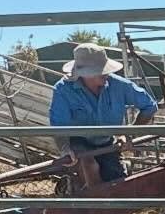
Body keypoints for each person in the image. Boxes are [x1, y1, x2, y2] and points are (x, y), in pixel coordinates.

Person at [48, 44, 158, 184]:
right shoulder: (63, 90)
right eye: (100, 71)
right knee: (89, 166)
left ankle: (101, 196)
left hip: (107, 142)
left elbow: (149, 106)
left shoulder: (119, 86)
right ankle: (91, 197)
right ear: (84, 74)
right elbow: (58, 125)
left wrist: (129, 134)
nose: (106, 73)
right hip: (79, 141)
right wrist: (65, 148)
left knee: (116, 180)